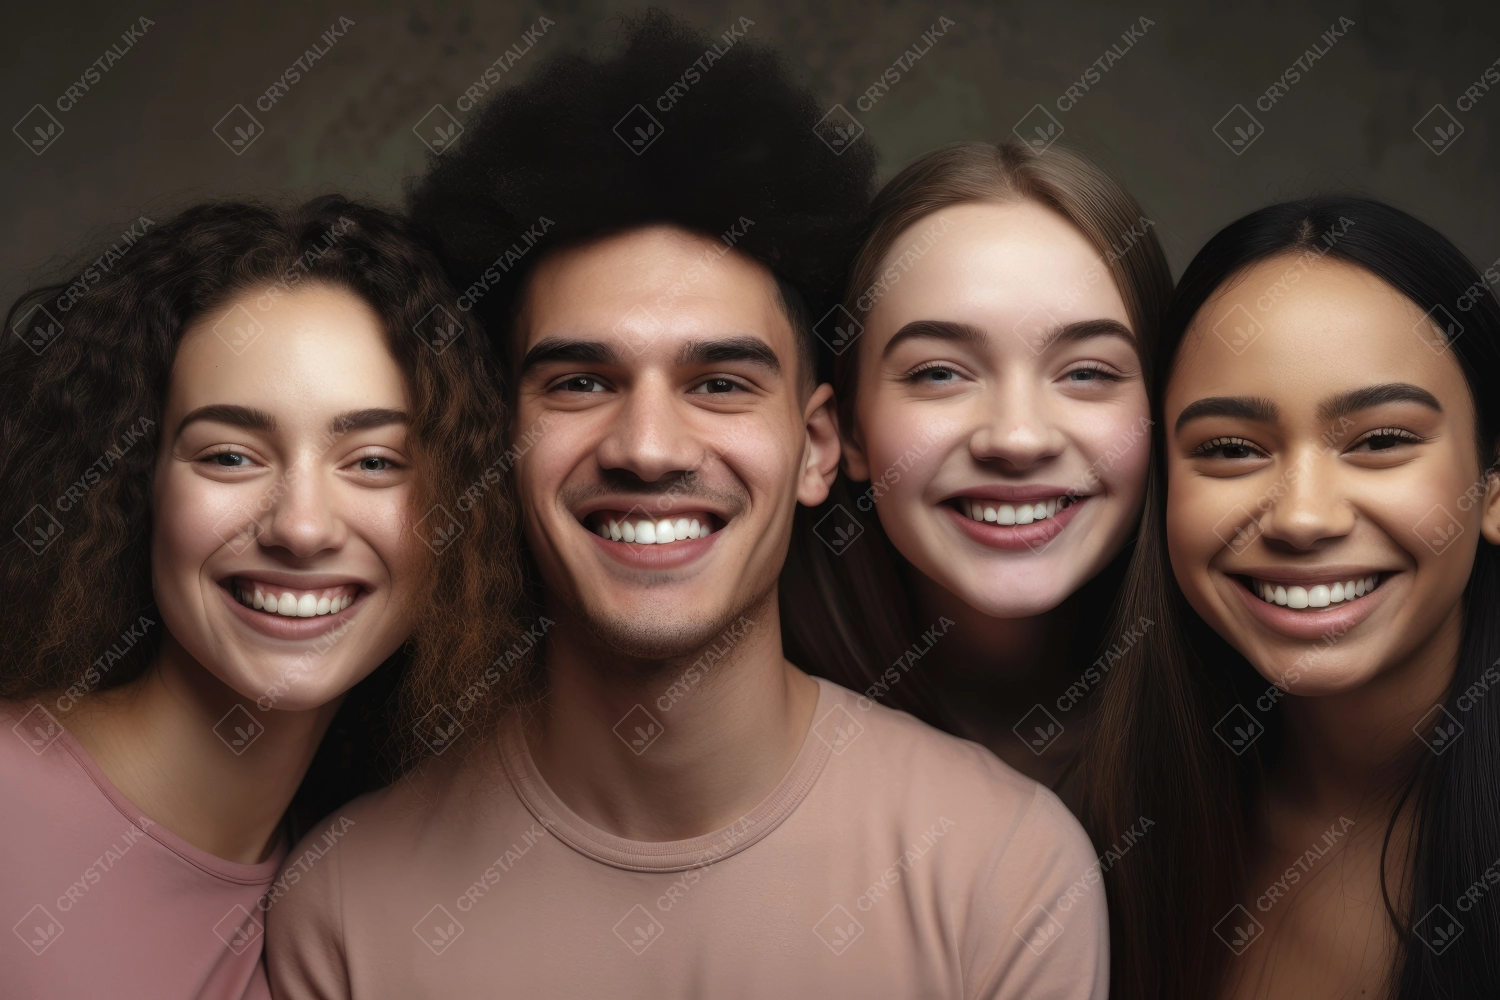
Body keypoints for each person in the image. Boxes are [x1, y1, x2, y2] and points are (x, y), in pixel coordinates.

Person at [267, 13, 1108, 999]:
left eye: (720, 383)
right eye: (581, 383)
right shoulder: (342, 909)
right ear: (498, 444)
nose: (649, 447)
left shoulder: (1005, 876)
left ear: (817, 446)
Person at [0, 196, 524, 999]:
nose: (303, 527)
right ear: (137, 487)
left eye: (375, 462)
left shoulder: (347, 900)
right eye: (232, 457)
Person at [1079, 197, 1500, 999]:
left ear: (1492, 486)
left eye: (1380, 441)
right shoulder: (1111, 838)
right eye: (1231, 450)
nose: (1304, 517)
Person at [782, 140, 1171, 793]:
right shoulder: (755, 742)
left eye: (1086, 372)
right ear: (847, 429)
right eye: (939, 373)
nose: (1017, 438)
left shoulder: (1268, 742)